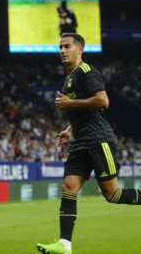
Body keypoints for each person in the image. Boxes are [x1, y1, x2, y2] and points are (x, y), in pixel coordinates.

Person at [36, 33, 141, 254]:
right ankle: (64, 245)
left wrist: (70, 102)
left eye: (67, 46)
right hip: (80, 142)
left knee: (113, 195)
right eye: (60, 47)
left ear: (79, 50)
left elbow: (103, 101)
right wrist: (69, 130)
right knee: (68, 187)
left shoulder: (87, 71)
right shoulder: (68, 78)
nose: (62, 51)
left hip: (98, 140)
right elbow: (84, 110)